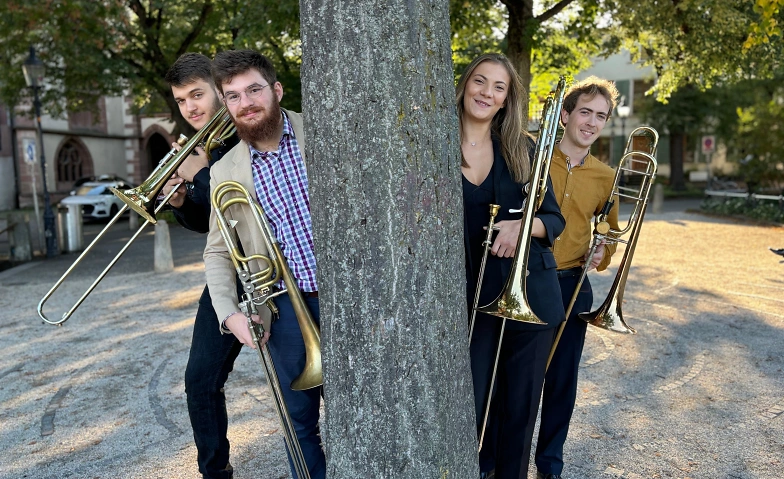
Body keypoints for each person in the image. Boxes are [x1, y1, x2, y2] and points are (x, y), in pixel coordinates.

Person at [203, 49, 324, 479]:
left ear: (276, 90)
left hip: (347, 295)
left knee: (363, 409)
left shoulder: (322, 130)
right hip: (284, 309)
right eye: (233, 96)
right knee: (299, 423)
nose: (246, 103)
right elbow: (218, 251)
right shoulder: (225, 170)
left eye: (254, 90)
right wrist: (228, 313)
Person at [459, 53, 566, 479]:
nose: (487, 92)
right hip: (473, 299)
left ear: (507, 99)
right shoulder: (434, 144)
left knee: (520, 411)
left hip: (531, 293)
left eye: (498, 87)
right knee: (471, 406)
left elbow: (554, 218)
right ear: (465, 85)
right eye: (480, 81)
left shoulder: (523, 147)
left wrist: (524, 226)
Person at [534, 76, 622, 479]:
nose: (591, 122)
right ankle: (499, 459)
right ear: (565, 115)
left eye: (600, 116)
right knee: (518, 378)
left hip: (572, 284)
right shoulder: (534, 158)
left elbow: (610, 231)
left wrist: (603, 252)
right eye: (585, 112)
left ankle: (550, 464)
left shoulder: (606, 176)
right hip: (528, 279)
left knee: (562, 381)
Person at [162, 52, 242, 479]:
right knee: (200, 380)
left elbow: (248, 204)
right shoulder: (198, 147)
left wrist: (201, 175)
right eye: (181, 100)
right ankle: (215, 472)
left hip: (273, 269)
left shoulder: (246, 132)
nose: (190, 107)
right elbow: (207, 221)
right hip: (226, 275)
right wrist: (181, 202)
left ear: (218, 91)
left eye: (197, 95)